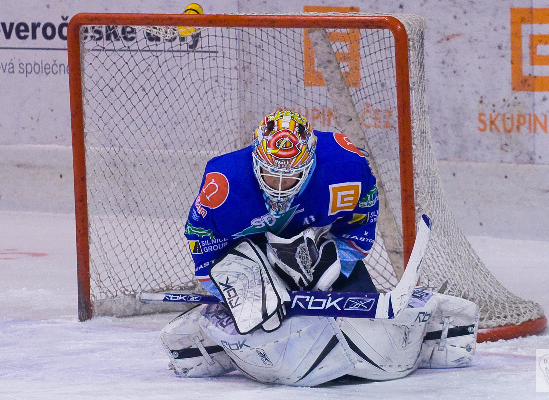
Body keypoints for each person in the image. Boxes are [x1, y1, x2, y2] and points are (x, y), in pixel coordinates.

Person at [161, 110, 479, 386]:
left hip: (315, 244)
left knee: (359, 312)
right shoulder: (224, 184)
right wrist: (231, 291)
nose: (280, 186)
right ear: (255, 160)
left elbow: (360, 222)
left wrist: (335, 264)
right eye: (271, 174)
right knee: (253, 301)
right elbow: (201, 240)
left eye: (292, 175)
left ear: (311, 162)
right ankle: (225, 330)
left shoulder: (346, 165)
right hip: (255, 255)